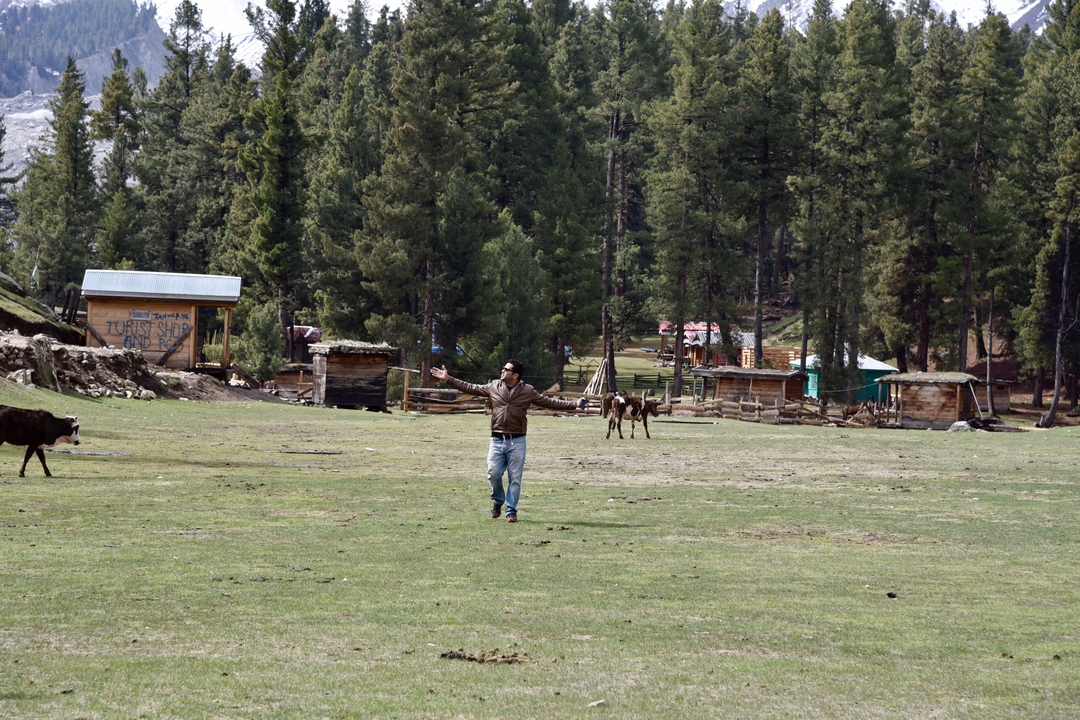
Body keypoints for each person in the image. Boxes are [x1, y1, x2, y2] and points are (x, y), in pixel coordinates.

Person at [431, 359, 588, 523]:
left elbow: (549, 402)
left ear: (515, 375)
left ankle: (511, 511)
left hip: (517, 440)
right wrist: (448, 378)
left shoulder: (528, 391)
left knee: (515, 478)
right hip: (497, 439)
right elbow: (471, 387)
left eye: (506, 369)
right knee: (493, 474)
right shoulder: (494, 386)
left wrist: (574, 404)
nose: (502, 370)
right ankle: (498, 500)